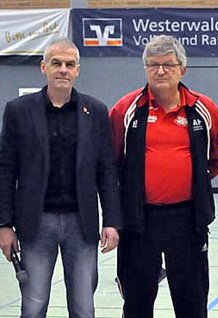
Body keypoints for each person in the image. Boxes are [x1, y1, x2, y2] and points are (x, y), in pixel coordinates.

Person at [0, 37, 121, 318]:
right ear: (44, 67)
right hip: (35, 224)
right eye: (56, 63)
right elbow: (6, 170)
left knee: (83, 308)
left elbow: (106, 170)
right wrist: (5, 224)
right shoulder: (18, 111)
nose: (63, 69)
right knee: (33, 306)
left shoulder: (96, 111)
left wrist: (112, 222)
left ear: (78, 70)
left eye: (69, 64)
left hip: (82, 224)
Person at [109, 35, 218, 318]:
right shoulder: (126, 109)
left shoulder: (203, 109)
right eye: (153, 65)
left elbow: (215, 160)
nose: (161, 71)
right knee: (136, 303)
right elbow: (111, 164)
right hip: (138, 222)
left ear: (182, 70)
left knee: (192, 302)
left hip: (188, 220)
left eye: (168, 65)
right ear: (145, 69)